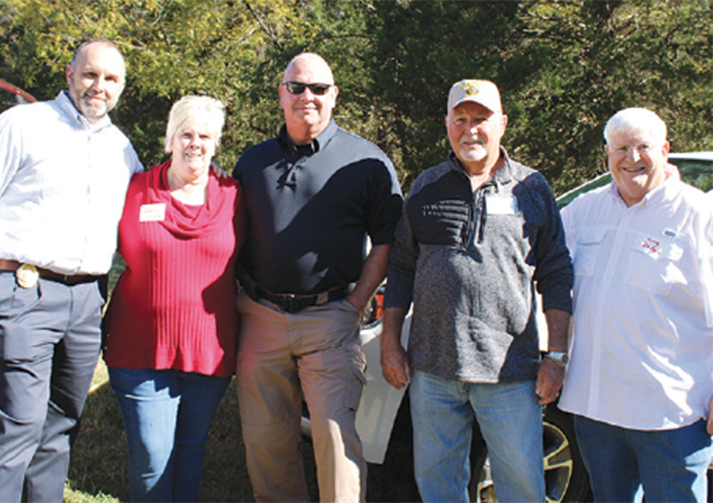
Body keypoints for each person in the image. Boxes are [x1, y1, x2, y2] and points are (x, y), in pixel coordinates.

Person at [381, 79, 574, 502]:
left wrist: (557, 357)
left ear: (502, 123)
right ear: (447, 124)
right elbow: (401, 266)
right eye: (461, 119)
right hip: (431, 370)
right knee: (438, 485)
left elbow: (557, 272)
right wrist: (391, 343)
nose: (471, 129)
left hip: (509, 373)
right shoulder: (426, 186)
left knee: (521, 486)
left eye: (481, 119)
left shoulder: (531, 187)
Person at [233, 52, 403, 502]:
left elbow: (388, 241)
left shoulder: (367, 162)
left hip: (330, 317)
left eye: (318, 88)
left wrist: (356, 303)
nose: (307, 96)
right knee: (265, 440)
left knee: (335, 437)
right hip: (260, 316)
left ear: (334, 96)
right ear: (281, 94)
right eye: (296, 87)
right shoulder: (252, 163)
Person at [0, 39, 143, 502]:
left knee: (62, 422)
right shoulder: (22, 124)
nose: (99, 86)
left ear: (121, 87)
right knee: (21, 423)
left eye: (111, 79)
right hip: (24, 290)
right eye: (90, 74)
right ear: (69, 74)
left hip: (86, 303)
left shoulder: (122, 149)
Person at [558, 107, 713, 503]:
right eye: (622, 148)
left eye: (643, 147)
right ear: (606, 153)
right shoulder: (583, 211)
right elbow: (529, 254)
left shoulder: (698, 215)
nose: (632, 158)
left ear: (665, 150)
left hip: (670, 412)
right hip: (596, 409)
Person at [102, 95, 244, 502]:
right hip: (138, 349)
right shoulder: (135, 190)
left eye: (204, 135)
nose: (194, 143)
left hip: (208, 351)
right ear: (170, 139)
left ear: (216, 143)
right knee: (152, 455)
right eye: (185, 133)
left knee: (189, 450)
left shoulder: (235, 198)